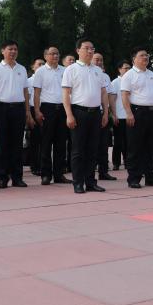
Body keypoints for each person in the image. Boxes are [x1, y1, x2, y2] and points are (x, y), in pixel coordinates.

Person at [61, 39, 108, 193]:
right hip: (78, 112)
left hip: (95, 113)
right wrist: (69, 115)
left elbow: (103, 93)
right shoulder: (71, 69)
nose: (90, 51)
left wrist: (105, 112)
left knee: (93, 149)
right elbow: (65, 94)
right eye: (86, 48)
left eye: (92, 48)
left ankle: (91, 182)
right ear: (78, 50)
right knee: (78, 150)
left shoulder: (98, 70)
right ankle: (78, 182)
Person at [0, 40, 33, 189]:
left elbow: (25, 91)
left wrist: (27, 111)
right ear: (3, 51)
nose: (13, 52)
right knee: (2, 144)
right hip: (1, 109)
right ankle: (2, 177)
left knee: (17, 144)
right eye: (10, 49)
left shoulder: (22, 69)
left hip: (18, 109)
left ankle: (17, 177)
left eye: (15, 49)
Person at [120, 47, 153, 189]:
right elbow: (124, 95)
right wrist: (128, 113)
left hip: (151, 113)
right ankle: (134, 178)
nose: (145, 57)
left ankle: (150, 177)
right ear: (134, 59)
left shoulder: (151, 74)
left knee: (150, 146)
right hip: (137, 112)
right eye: (142, 55)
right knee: (135, 147)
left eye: (146, 55)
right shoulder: (129, 75)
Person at [34, 47, 69, 185]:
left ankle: (59, 174)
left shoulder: (65, 70)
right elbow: (37, 93)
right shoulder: (40, 71)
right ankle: (46, 174)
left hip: (63, 109)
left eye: (57, 53)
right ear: (45, 56)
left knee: (61, 143)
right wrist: (37, 111)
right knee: (46, 143)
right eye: (52, 53)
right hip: (47, 109)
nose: (55, 56)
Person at [92, 52, 116, 181]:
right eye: (96, 59)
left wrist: (112, 113)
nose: (99, 62)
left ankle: (103, 171)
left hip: (103, 113)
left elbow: (110, 96)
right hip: (89, 112)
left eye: (101, 60)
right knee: (90, 145)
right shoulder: (87, 73)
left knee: (103, 144)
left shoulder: (105, 76)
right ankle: (88, 173)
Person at [109, 60, 131, 171]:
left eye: (129, 68)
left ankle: (128, 162)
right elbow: (112, 100)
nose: (127, 70)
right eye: (125, 68)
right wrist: (114, 114)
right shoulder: (115, 83)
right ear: (119, 69)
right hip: (119, 116)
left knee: (129, 141)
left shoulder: (132, 80)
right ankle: (116, 163)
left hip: (130, 116)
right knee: (118, 141)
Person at [26, 58, 45, 176]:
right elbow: (27, 99)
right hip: (33, 110)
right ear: (33, 67)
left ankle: (44, 165)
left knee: (45, 140)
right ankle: (34, 165)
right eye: (39, 64)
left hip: (46, 109)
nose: (41, 66)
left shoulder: (46, 78)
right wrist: (28, 115)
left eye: (43, 64)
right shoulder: (29, 81)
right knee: (35, 140)